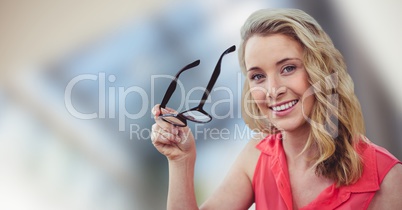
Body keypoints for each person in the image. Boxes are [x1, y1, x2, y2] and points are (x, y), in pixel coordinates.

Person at [150, 8, 402, 210]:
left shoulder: (388, 178)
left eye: (288, 68)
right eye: (258, 76)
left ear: (320, 70)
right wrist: (181, 161)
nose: (273, 89)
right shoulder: (257, 156)